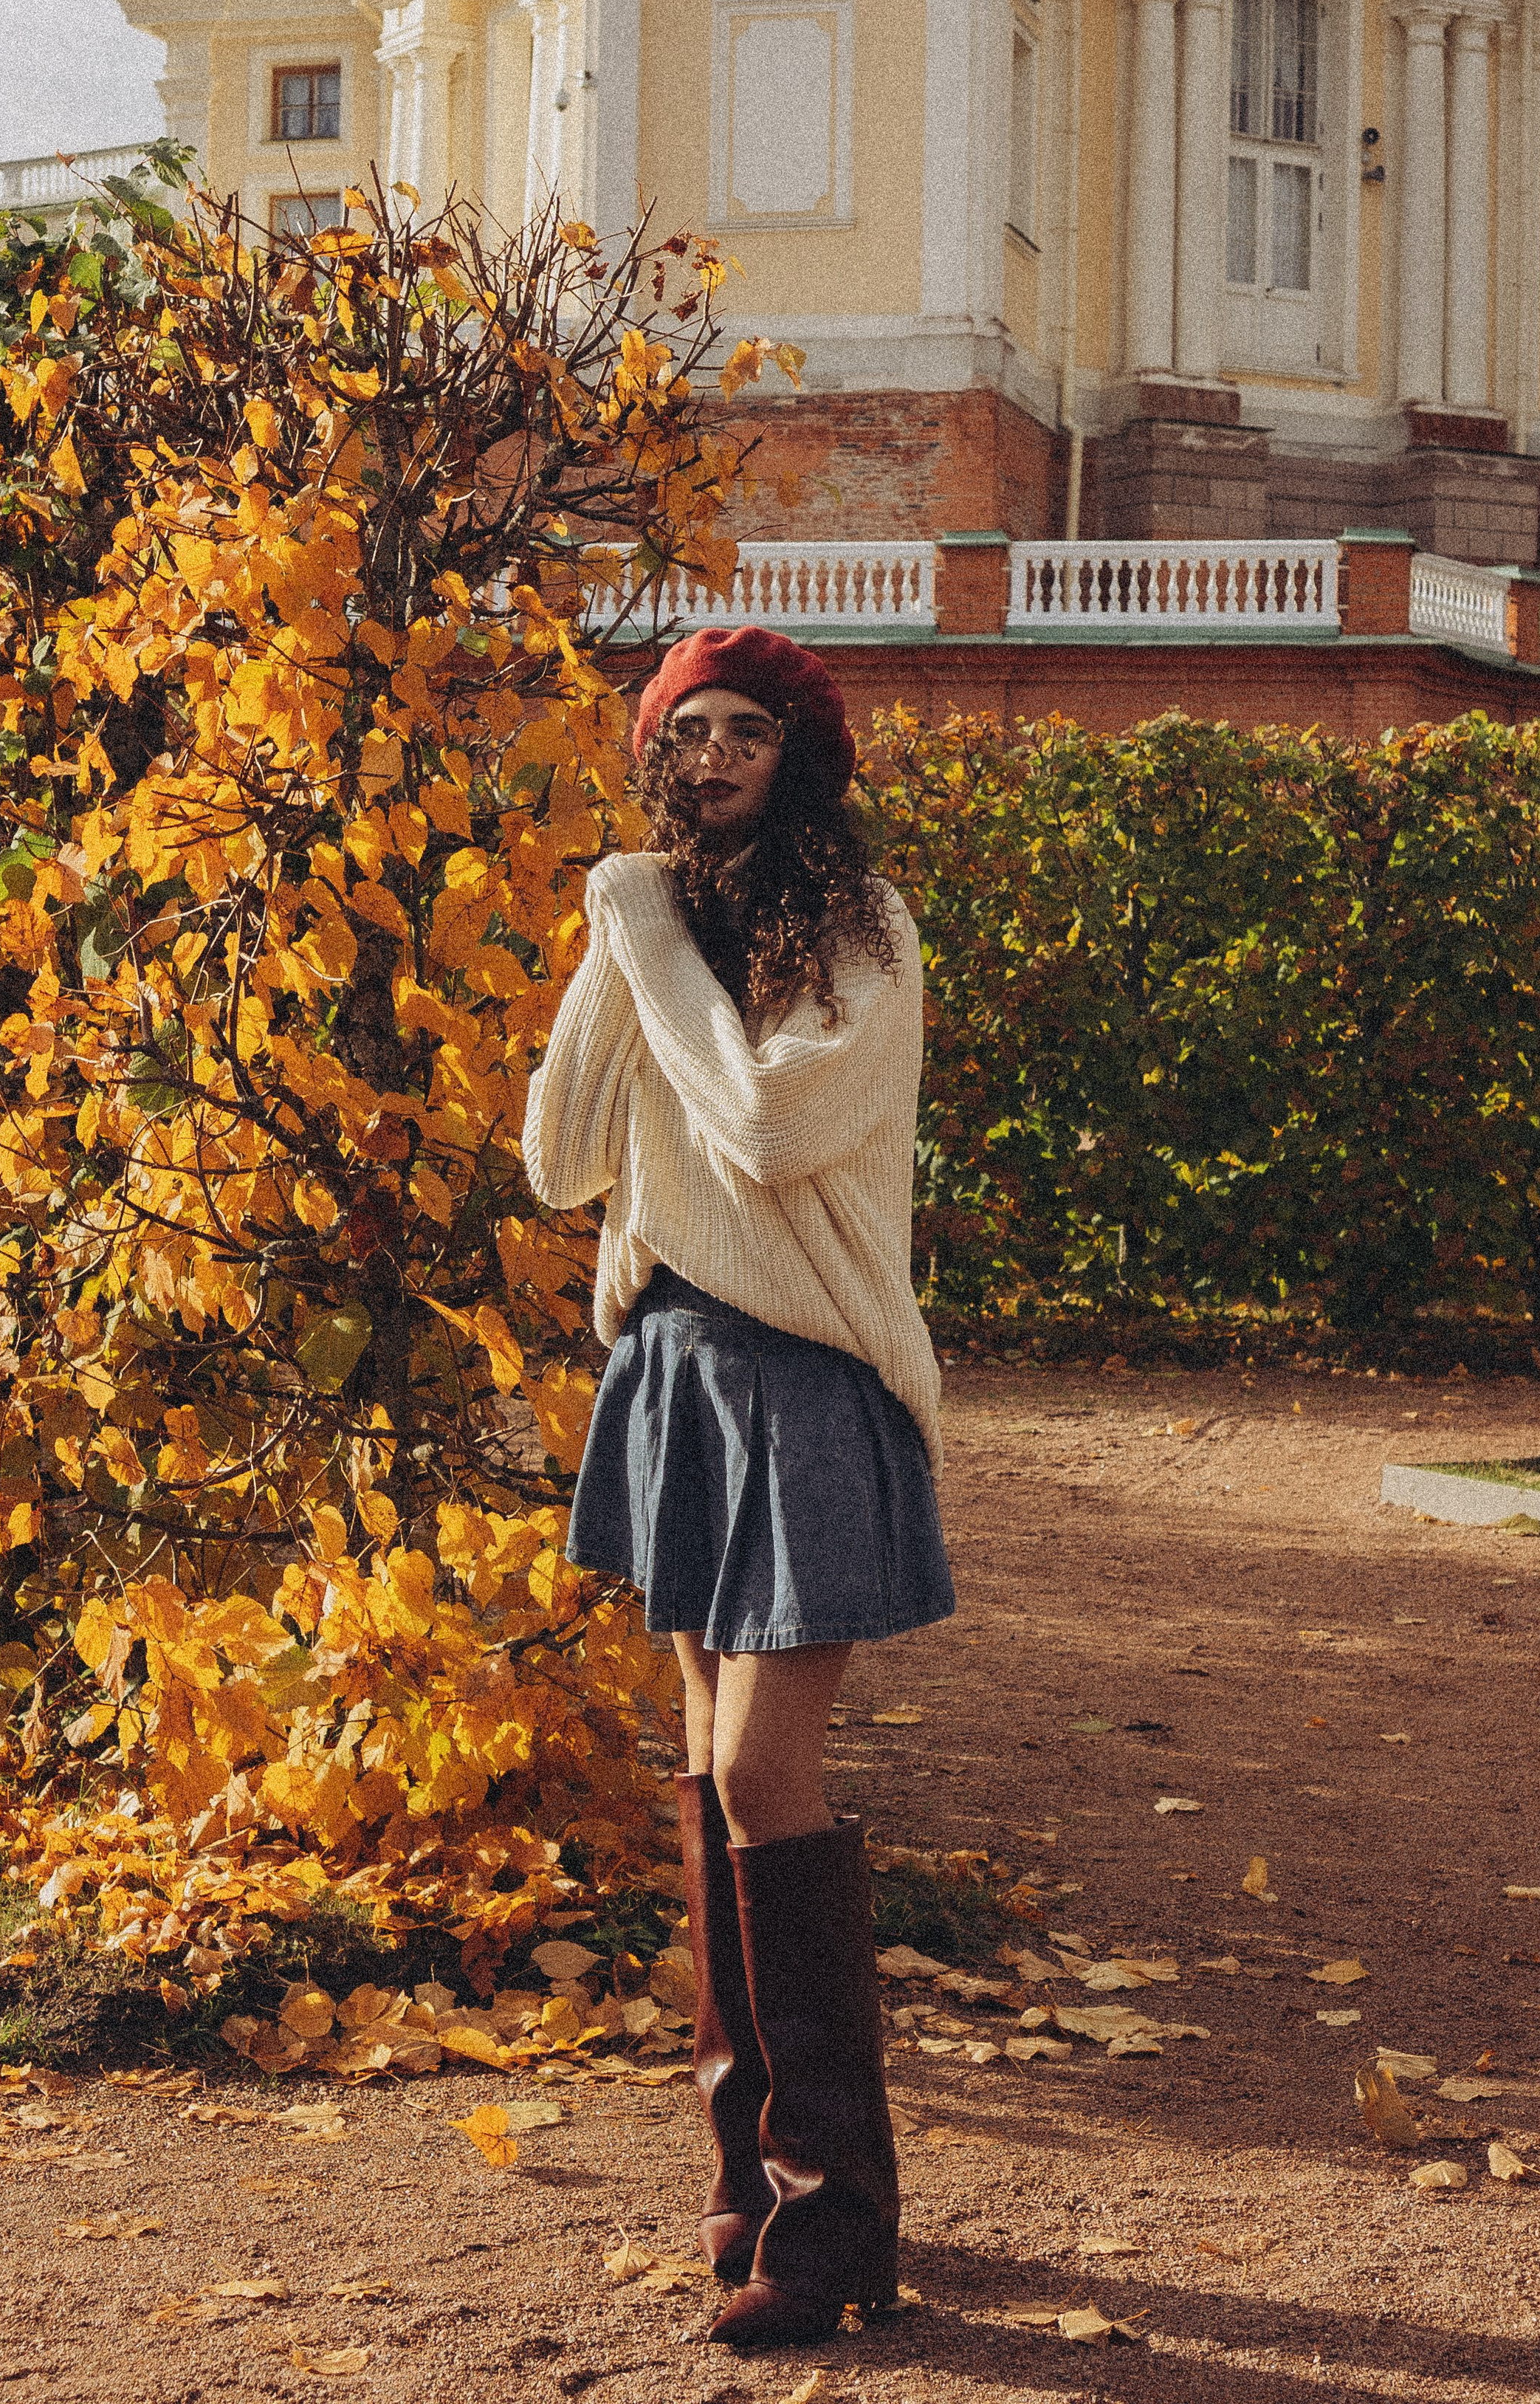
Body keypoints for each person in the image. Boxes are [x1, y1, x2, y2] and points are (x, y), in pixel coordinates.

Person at [522, 623, 953, 2349]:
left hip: (811, 1378)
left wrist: (643, 943)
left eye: (743, 734)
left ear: (801, 754)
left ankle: (840, 2219)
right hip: (675, 1370)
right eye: (682, 732)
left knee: (771, 1776)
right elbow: (561, 1159)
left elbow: (770, 1133)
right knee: (703, 1772)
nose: (706, 761)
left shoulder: (862, 932)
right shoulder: (652, 925)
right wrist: (623, 954)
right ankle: (748, 2183)